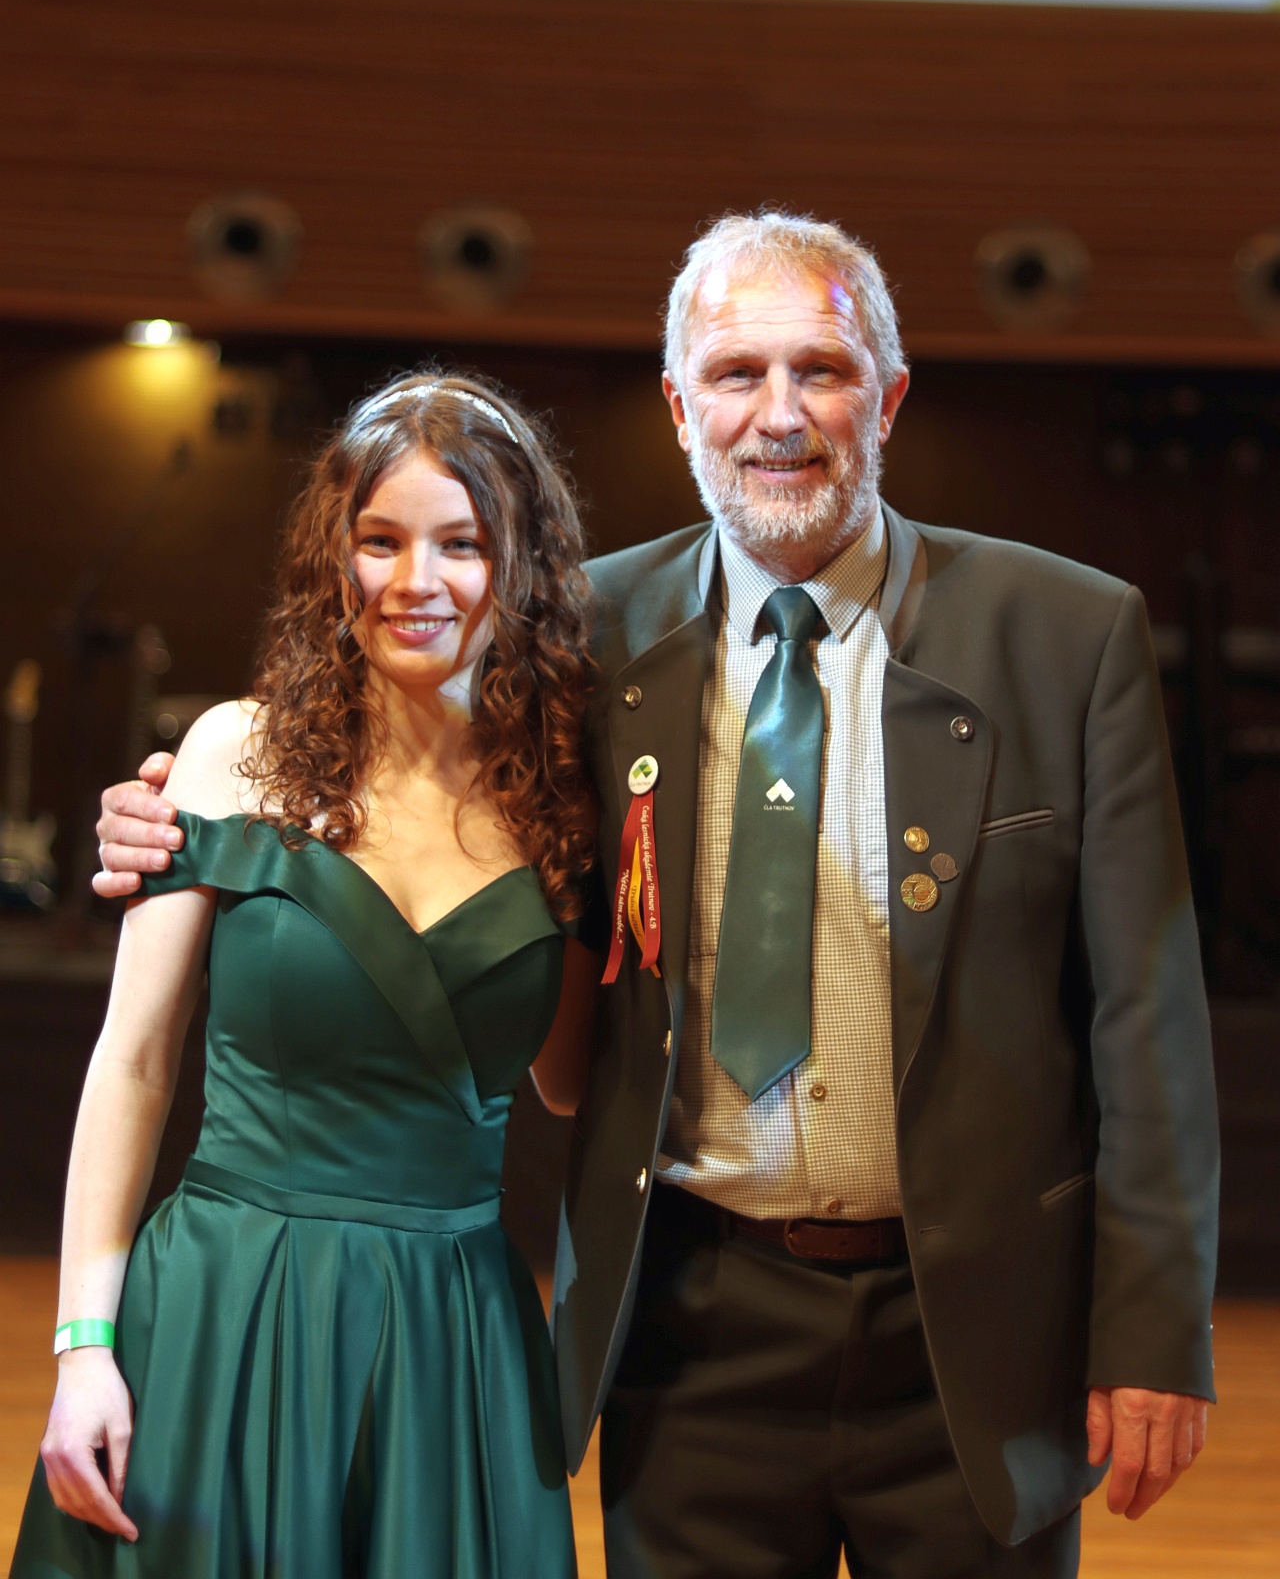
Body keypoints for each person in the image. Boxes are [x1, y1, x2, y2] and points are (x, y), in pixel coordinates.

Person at [94, 213, 1219, 1579]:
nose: (779, 414)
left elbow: (1148, 1023)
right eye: (738, 374)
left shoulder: (1067, 634)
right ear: (683, 410)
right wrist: (178, 817)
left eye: (822, 370)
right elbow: (387, 762)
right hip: (690, 1327)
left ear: (888, 398)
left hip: (976, 1338)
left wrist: (1154, 1330)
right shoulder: (581, 639)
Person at [17, 372, 602, 1579]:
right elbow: (134, 1062)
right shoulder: (236, 754)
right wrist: (83, 1345)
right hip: (230, 1302)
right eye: (379, 541)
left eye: (460, 544)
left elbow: (567, 1081)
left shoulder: (561, 796)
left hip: (450, 1331)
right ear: (333, 560)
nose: (414, 580)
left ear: (521, 564)